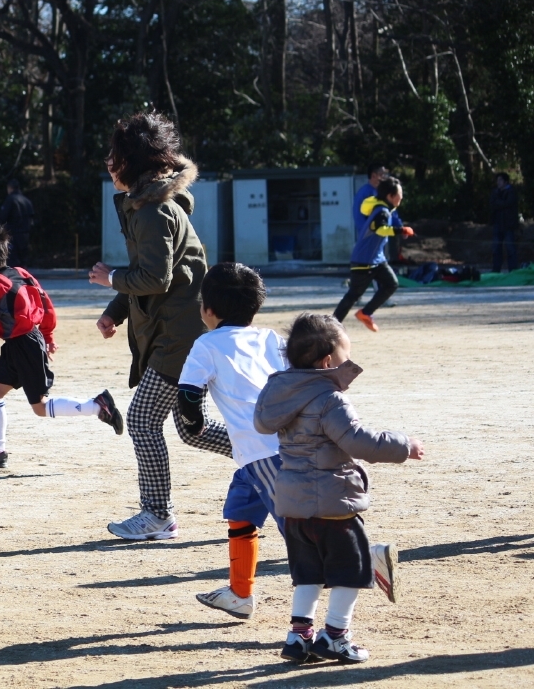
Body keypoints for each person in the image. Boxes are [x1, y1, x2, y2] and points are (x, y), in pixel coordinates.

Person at [88, 111, 232, 541]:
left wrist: (111, 278)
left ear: (132, 162)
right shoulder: (146, 204)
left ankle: (157, 514)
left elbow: (154, 278)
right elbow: (149, 273)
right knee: (192, 428)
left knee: (141, 419)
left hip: (179, 338)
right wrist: (116, 310)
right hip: (180, 332)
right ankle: (272, 452)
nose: (108, 163)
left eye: (114, 155)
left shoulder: (151, 211)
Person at [255, 313, 423, 664]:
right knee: (352, 571)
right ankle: (335, 636)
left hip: (294, 505)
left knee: (308, 574)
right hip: (333, 502)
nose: (350, 361)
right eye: (347, 354)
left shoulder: (280, 394)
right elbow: (358, 441)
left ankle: (299, 636)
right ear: (328, 361)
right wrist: (403, 445)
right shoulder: (329, 399)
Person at [0, 225, 122, 469]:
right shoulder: (20, 272)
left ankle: (98, 405)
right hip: (23, 343)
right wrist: (47, 335)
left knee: (41, 407)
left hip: (24, 346)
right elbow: (45, 302)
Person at [178, 263, 287, 620]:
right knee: (241, 512)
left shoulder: (207, 343)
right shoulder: (272, 339)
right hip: (271, 450)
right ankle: (240, 593)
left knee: (303, 534)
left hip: (266, 453)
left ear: (208, 309)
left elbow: (188, 394)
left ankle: (366, 558)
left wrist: (194, 424)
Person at [334, 176, 414, 332]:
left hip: (376, 259)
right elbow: (380, 229)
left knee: (391, 284)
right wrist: (400, 230)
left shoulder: (384, 210)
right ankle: (331, 326)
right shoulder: (382, 212)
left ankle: (365, 313)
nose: (401, 197)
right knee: (353, 295)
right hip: (364, 260)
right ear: (390, 196)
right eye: (399, 194)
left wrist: (400, 230)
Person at [0, 178, 35, 266]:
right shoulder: (27, 201)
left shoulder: (10, 199)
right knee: (23, 261)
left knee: (12, 261)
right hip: (25, 235)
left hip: (13, 234)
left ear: (9, 188)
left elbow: (2, 217)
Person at [491, 172, 520, 273]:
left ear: (505, 181)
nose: (498, 182)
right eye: (497, 180)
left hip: (508, 225)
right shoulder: (495, 192)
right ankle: (496, 270)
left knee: (510, 248)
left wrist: (499, 204)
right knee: (496, 249)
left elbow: (508, 203)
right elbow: (492, 204)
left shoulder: (511, 192)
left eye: (500, 180)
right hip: (497, 224)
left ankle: (513, 271)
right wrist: (501, 204)